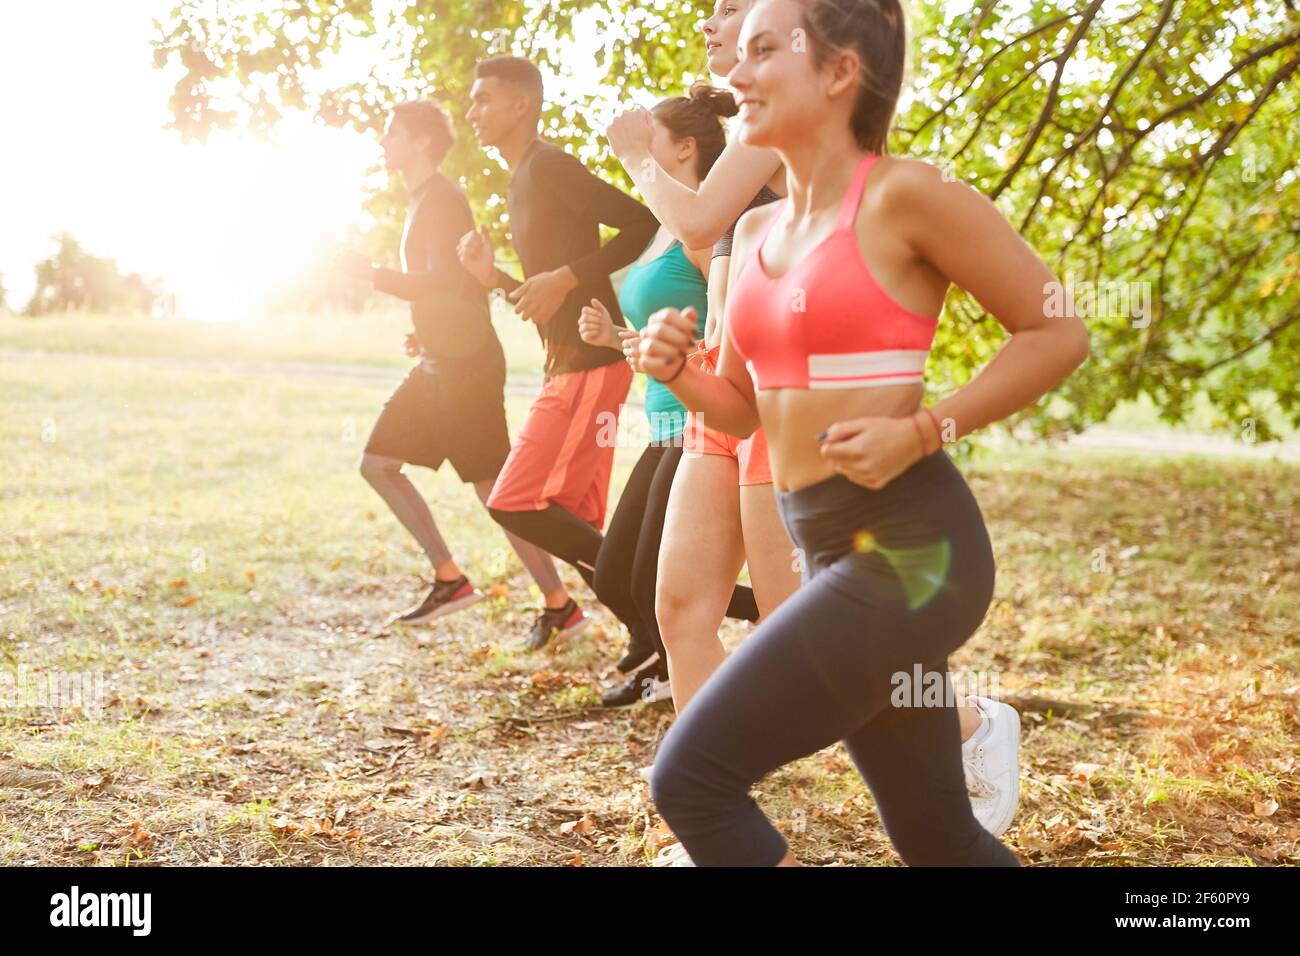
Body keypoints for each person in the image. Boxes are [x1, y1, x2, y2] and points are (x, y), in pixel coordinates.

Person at [638, 0, 1089, 866]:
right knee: (936, 836)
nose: (734, 76)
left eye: (765, 51)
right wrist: (677, 371)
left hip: (914, 553)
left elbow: (1059, 330)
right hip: (829, 549)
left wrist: (924, 429)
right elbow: (738, 407)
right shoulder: (761, 230)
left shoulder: (906, 195)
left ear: (840, 72)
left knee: (688, 779)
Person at [338, 100, 566, 640]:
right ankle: (453, 578)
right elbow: (456, 287)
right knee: (380, 463)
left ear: (420, 142)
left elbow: (444, 278)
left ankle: (561, 600)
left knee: (497, 490)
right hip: (445, 360)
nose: (384, 141)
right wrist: (430, 333)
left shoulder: (441, 198)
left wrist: (372, 274)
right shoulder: (425, 199)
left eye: (392, 132)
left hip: (466, 370)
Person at [456, 57, 661, 651]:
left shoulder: (549, 166)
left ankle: (682, 609)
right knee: (570, 522)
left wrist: (570, 276)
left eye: (483, 99)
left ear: (522, 104)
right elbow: (538, 293)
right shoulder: (519, 179)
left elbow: (642, 221)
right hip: (568, 363)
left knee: (516, 502)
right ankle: (651, 641)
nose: (473, 112)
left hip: (593, 364)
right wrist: (489, 275)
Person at [579, 85, 762, 707]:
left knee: (647, 580)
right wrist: (621, 340)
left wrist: (688, 368)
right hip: (662, 417)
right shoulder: (664, 228)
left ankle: (689, 672)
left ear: (685, 147)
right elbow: (675, 329)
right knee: (617, 576)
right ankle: (748, 618)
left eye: (651, 140)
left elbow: (727, 320)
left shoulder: (699, 228)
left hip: (700, 417)